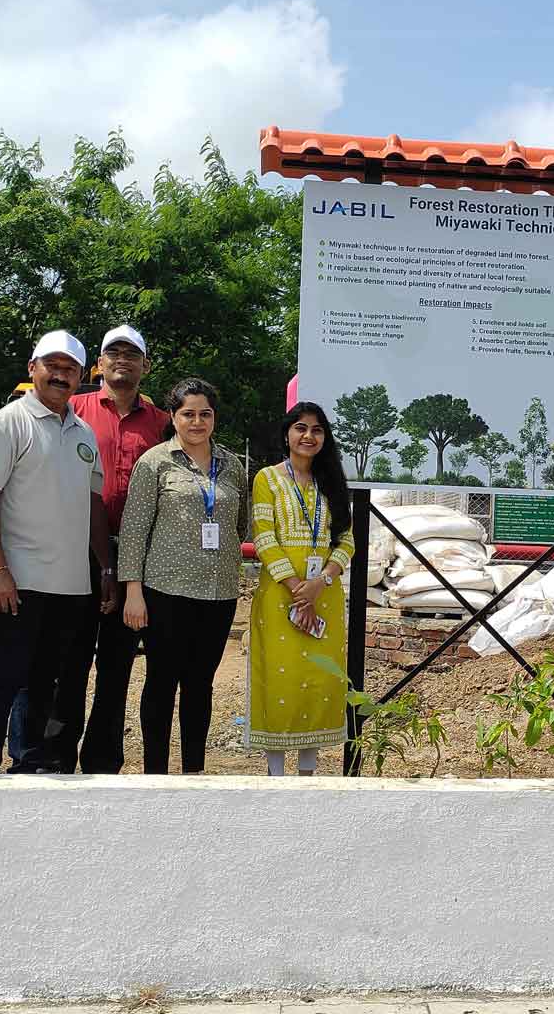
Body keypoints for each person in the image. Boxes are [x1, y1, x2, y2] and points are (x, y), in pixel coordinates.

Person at [0, 331, 112, 774]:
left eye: (70, 369)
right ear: (33, 368)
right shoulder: (8, 422)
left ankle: (27, 761)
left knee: (46, 677)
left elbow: (93, 504)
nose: (60, 374)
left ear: (83, 376)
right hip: (20, 577)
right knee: (7, 675)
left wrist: (104, 566)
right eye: (52, 365)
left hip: (69, 583)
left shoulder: (82, 432)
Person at [44, 324, 170, 773]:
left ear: (145, 366)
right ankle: (55, 757)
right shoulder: (71, 411)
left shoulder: (162, 424)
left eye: (132, 354)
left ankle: (102, 761)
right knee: (69, 659)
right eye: (112, 353)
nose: (122, 360)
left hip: (138, 557)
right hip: (75, 551)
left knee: (117, 667)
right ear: (98, 364)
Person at [117, 378, 250, 774]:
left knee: (200, 684)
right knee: (161, 681)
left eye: (205, 414)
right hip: (165, 592)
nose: (197, 422)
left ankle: (194, 770)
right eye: (188, 413)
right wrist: (133, 593)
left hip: (218, 594)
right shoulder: (155, 462)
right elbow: (134, 529)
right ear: (173, 417)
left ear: (215, 418)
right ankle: (155, 773)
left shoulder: (232, 464)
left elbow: (239, 524)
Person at [245, 401, 354, 775]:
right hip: (280, 595)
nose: (309, 436)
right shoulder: (267, 479)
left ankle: (309, 773)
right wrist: (297, 587)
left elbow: (348, 541)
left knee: (318, 679)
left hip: (324, 594)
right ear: (287, 434)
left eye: (317, 430)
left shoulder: (333, 482)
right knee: (281, 677)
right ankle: (276, 775)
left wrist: (320, 582)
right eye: (301, 428)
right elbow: (264, 538)